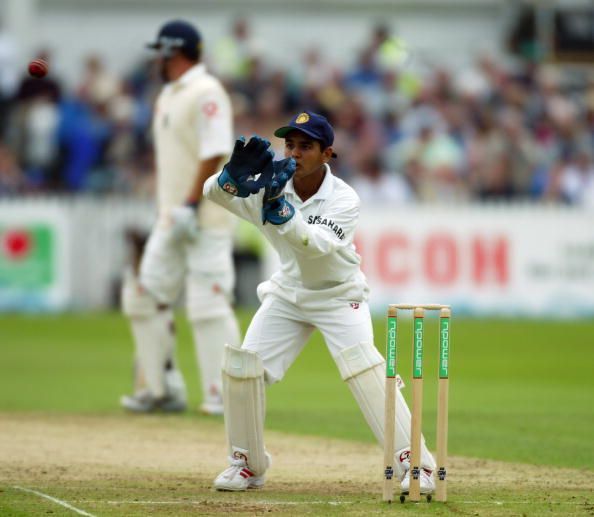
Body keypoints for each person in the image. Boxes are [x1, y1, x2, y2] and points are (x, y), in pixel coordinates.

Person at [202, 111, 436, 493]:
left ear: (327, 153)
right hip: (289, 294)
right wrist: (230, 179)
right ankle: (247, 463)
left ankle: (417, 464)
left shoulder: (344, 198)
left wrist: (279, 208)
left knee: (365, 369)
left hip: (339, 296)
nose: (294, 153)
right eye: (289, 145)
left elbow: (316, 245)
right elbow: (212, 194)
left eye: (305, 146)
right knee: (243, 371)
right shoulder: (269, 184)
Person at [120, 20, 241, 414]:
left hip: (204, 216)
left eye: (161, 52)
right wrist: (173, 208)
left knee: (209, 305)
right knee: (143, 296)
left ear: (174, 52)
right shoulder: (169, 95)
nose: (156, 59)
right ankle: (161, 388)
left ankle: (227, 394)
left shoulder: (207, 92)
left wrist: (191, 203)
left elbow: (214, 151)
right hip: (172, 216)